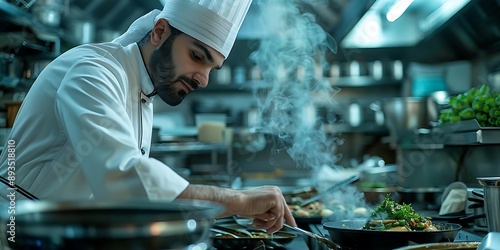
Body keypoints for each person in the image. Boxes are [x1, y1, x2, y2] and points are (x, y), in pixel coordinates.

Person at [0, 0, 296, 233]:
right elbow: (124, 175)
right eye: (197, 56)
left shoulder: (142, 88)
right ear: (159, 32)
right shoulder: (93, 71)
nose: (204, 80)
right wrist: (239, 200)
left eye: (212, 68)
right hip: (16, 231)